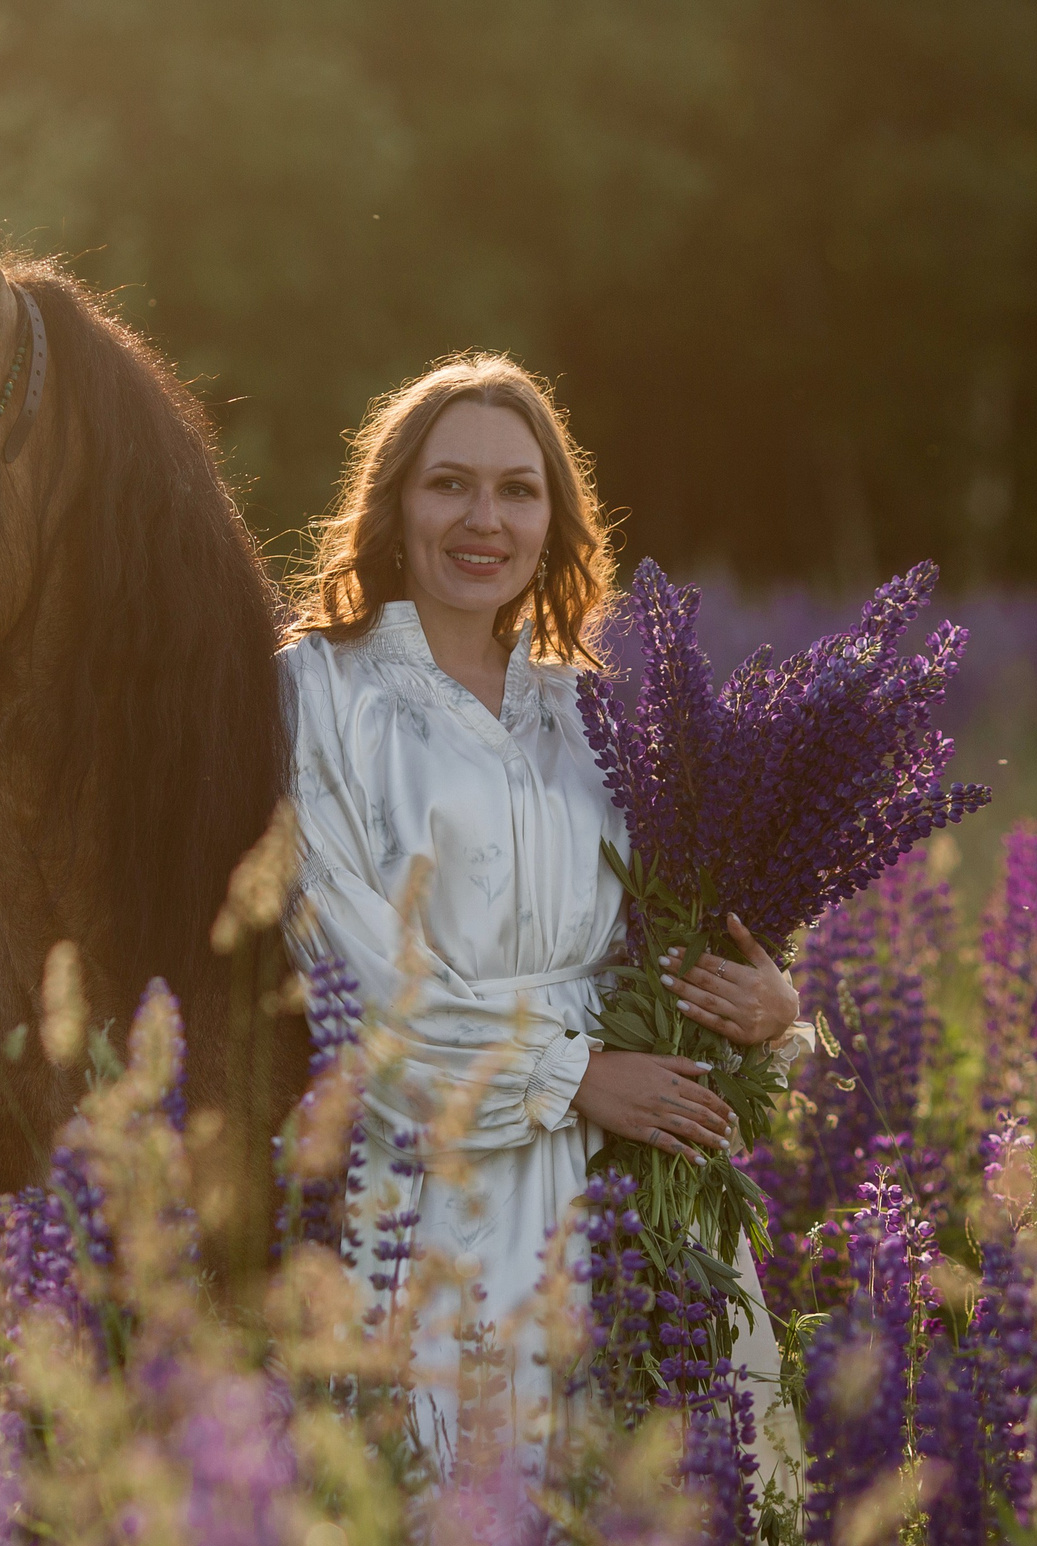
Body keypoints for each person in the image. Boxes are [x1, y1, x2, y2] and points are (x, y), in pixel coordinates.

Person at [280, 352, 800, 1468]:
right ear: (394, 503)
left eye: (518, 490)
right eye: (449, 484)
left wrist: (770, 1007)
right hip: (433, 1182)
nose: (485, 520)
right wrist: (570, 1078)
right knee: (463, 1505)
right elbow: (346, 971)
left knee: (678, 1510)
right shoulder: (318, 689)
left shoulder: (589, 708)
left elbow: (676, 931)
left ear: (554, 520)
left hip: (640, 1185)